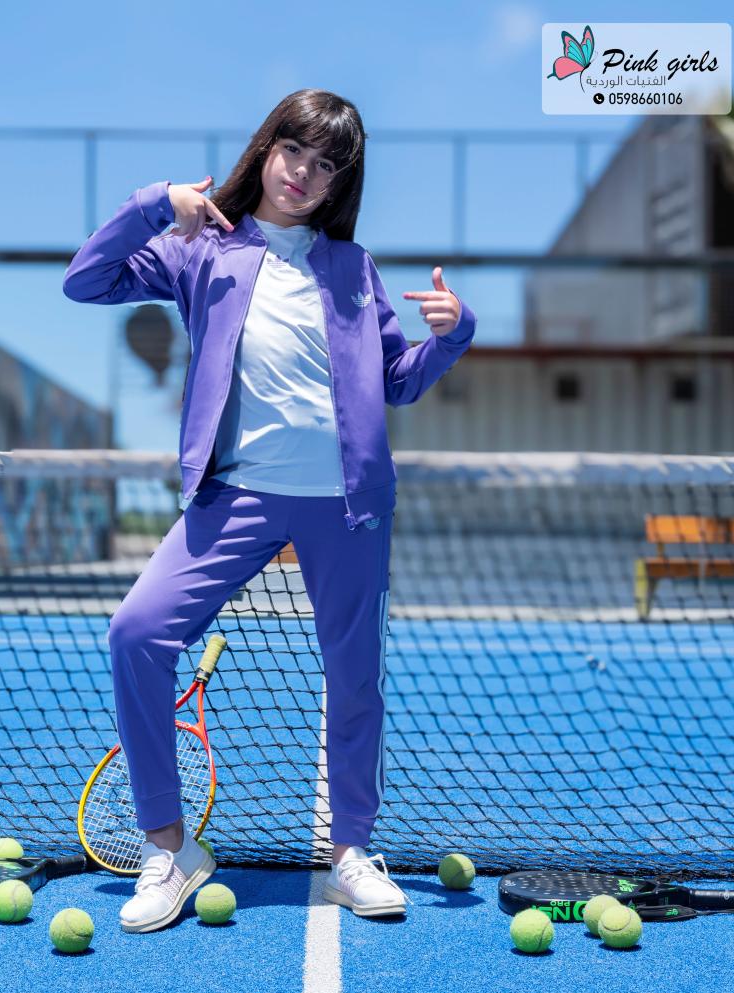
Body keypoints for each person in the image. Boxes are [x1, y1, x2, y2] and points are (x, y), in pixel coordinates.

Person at [63, 88, 476, 933]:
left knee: (353, 678)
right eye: (295, 151)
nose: (304, 174)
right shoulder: (201, 249)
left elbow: (395, 382)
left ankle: (351, 852)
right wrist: (155, 204)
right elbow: (85, 280)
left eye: (327, 166)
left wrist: (451, 337)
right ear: (266, 148)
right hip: (235, 496)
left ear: (339, 184)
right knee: (137, 634)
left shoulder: (352, 268)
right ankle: (168, 848)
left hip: (349, 508)